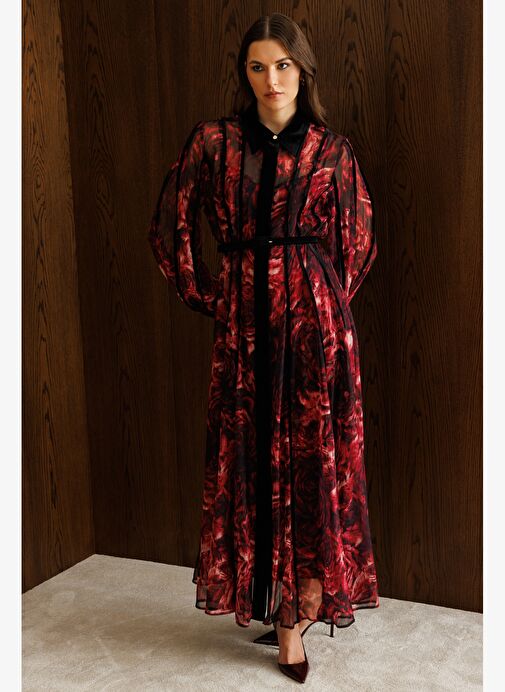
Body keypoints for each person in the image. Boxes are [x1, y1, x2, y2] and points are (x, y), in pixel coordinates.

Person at [147, 12, 380, 684]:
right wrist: (209, 294)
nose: (271, 79)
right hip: (243, 333)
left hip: (313, 333)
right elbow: (170, 222)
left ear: (302, 70)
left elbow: (358, 241)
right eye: (258, 66)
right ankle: (268, 598)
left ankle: (293, 619)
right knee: (250, 459)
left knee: (309, 465)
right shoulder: (214, 143)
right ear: (243, 73)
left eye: (282, 65)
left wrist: (319, 299)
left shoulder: (331, 150)